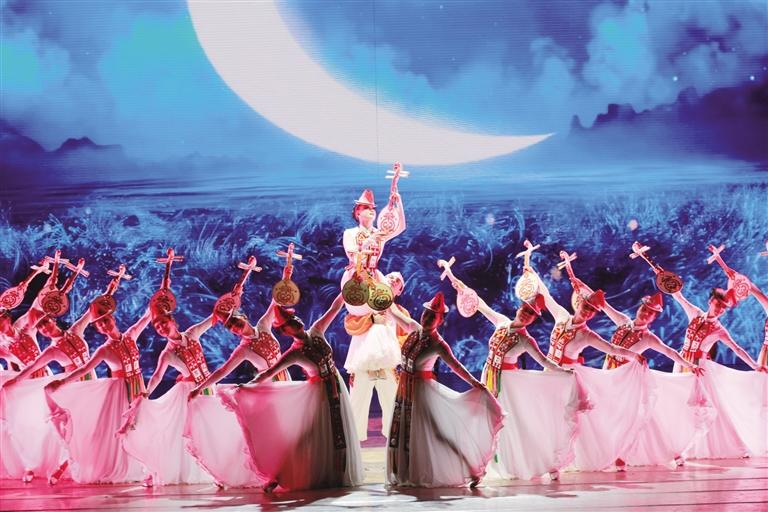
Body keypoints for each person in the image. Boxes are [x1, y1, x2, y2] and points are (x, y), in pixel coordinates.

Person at [219, 295, 363, 491]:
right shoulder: (294, 353)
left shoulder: (316, 330)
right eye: (289, 322)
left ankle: (338, 470)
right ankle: (280, 473)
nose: (295, 321)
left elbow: (335, 306)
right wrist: (246, 387)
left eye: (293, 318)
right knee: (311, 434)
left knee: (337, 430)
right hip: (319, 393)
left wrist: (349, 288)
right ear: (285, 331)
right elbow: (269, 373)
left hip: (336, 385)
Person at [462, 286, 583, 482]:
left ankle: (545, 463)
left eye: (531, 314)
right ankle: (483, 467)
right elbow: (482, 306)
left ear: (533, 319)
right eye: (525, 310)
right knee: (485, 422)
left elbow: (543, 361)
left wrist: (564, 371)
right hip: (489, 378)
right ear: (519, 308)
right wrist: (464, 289)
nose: (526, 315)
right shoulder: (502, 322)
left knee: (510, 426)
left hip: (506, 385)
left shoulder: (526, 339)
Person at [532, 270, 650, 472]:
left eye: (592, 311)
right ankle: (545, 455)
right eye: (586, 307)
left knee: (563, 421)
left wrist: (634, 355)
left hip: (566, 378)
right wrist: (533, 274)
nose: (587, 312)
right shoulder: (561, 316)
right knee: (544, 416)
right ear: (579, 304)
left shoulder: (588, 335)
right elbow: (547, 296)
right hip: (548, 373)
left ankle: (558, 462)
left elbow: (612, 349)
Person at [386, 292, 503, 488]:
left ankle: (472, 469)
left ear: (440, 321)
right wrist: (381, 293)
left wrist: (475, 382)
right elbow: (393, 312)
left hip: (422, 394)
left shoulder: (438, 344)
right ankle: (404, 472)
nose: (427, 318)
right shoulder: (414, 328)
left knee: (437, 434)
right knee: (405, 431)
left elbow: (456, 366)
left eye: (433, 316)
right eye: (426, 313)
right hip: (405, 390)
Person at [44, 302, 152, 484]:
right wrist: (62, 382)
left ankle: (146, 468)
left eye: (106, 320)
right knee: (123, 430)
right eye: (99, 324)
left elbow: (147, 317)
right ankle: (75, 462)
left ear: (113, 319)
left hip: (138, 387)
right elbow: (84, 369)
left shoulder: (131, 335)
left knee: (142, 426)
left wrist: (158, 300)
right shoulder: (104, 350)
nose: (103, 325)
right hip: (120, 392)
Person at [184, 302, 289, 488]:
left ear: (244, 317)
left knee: (290, 428)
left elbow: (275, 303)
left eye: (235, 322)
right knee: (272, 433)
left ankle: (288, 469)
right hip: (268, 388)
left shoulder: (264, 325)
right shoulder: (243, 349)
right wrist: (199, 388)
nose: (235, 327)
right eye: (231, 327)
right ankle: (270, 475)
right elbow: (222, 371)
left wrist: (285, 285)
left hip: (285, 381)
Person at [118, 313, 216, 486]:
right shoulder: (167, 353)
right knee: (193, 430)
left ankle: (215, 468)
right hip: (190, 392)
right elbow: (157, 376)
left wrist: (224, 308)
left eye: (163, 322)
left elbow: (211, 320)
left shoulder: (192, 334)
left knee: (210, 428)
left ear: (173, 321)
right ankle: (195, 469)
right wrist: (146, 393)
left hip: (208, 386)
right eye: (157, 326)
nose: (161, 327)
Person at [671, 287, 766, 459]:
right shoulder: (695, 313)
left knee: (701, 409)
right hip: (682, 363)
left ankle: (686, 450)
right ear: (710, 301)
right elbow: (678, 297)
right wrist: (665, 278)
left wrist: (755, 365)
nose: (720, 309)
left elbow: (737, 349)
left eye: (724, 307)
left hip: (698, 369)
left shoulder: (718, 329)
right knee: (680, 405)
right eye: (718, 304)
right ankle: (680, 446)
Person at [344, 271, 407, 442]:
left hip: (387, 366)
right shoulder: (365, 304)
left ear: (399, 291)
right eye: (391, 277)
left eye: (398, 281)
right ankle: (353, 444)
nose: (393, 280)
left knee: (392, 405)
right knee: (357, 405)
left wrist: (391, 345)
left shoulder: (400, 312)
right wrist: (371, 318)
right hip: (362, 363)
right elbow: (350, 325)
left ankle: (395, 442)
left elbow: (406, 337)